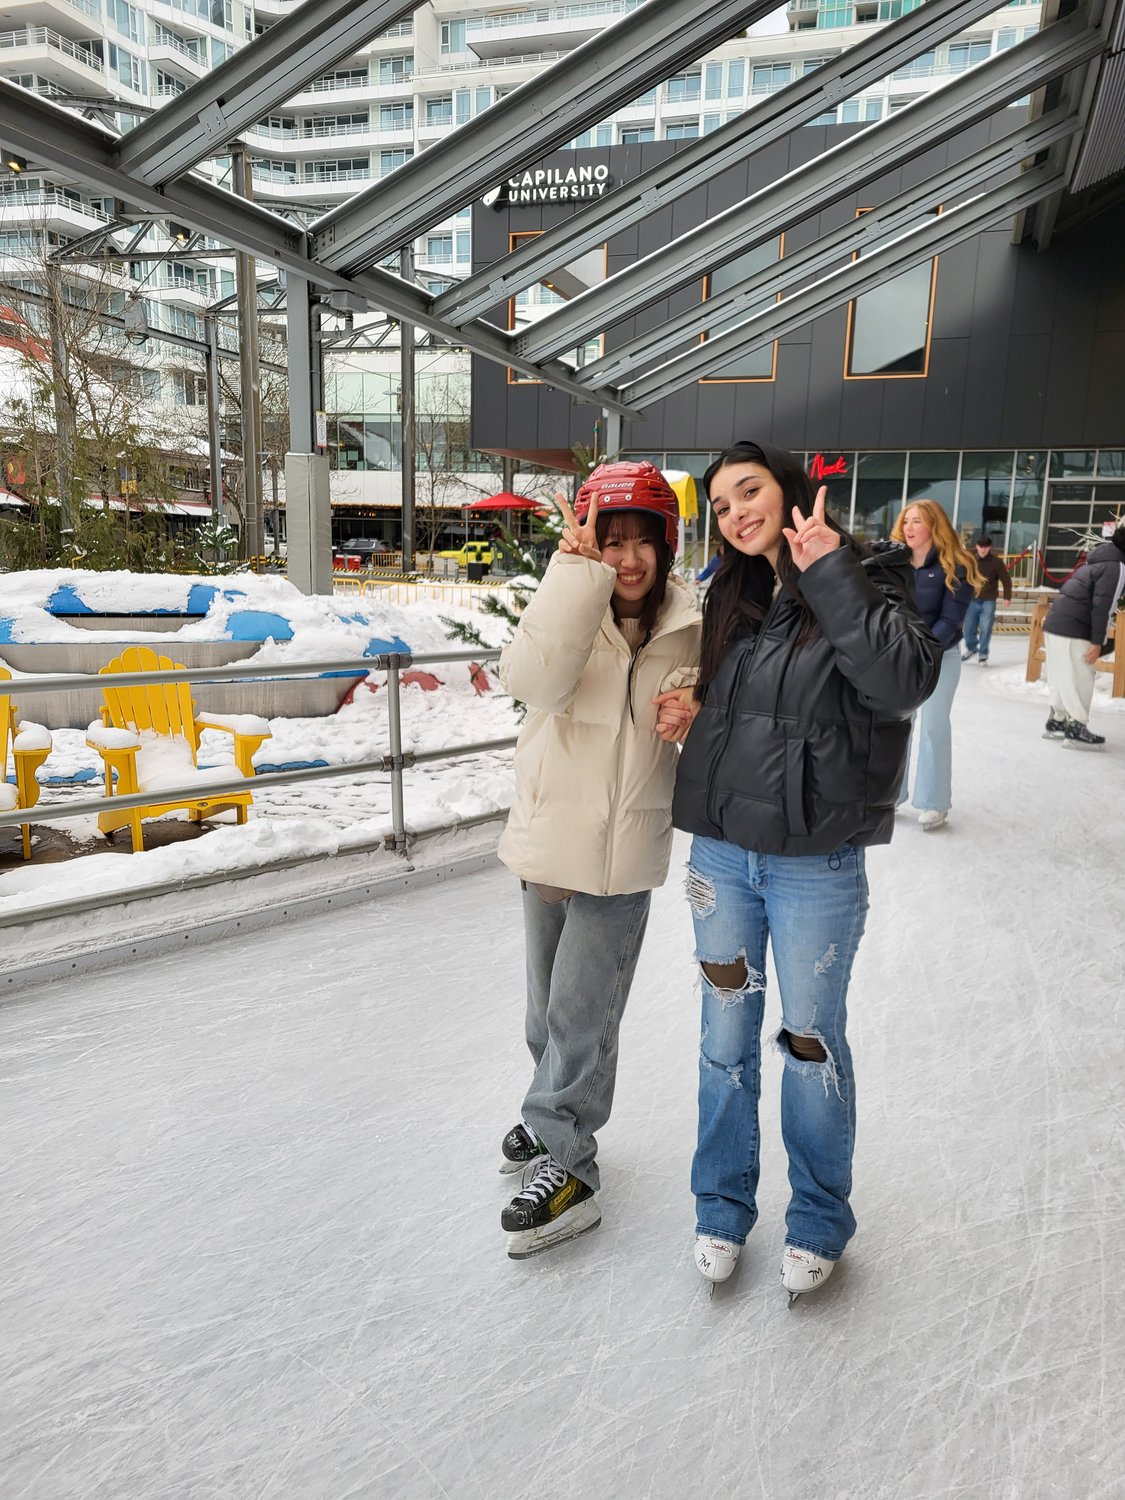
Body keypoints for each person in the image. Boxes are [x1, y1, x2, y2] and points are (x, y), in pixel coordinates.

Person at [658, 441, 940, 1303]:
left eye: (751, 490)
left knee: (809, 1043)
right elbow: (753, 704)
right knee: (722, 1040)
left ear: (792, 490)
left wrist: (828, 573)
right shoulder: (732, 593)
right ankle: (720, 1206)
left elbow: (900, 682)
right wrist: (695, 716)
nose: (737, 511)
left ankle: (816, 1217)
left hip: (814, 864)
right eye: (722, 502)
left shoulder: (869, 575)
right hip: (721, 858)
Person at [495, 460, 701, 1259]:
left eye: (640, 541)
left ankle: (568, 1162)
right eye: (610, 541)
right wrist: (573, 576)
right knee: (544, 1007)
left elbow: (714, 707)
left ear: (666, 545)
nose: (625, 559)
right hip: (551, 836)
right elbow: (533, 681)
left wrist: (701, 708)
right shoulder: (569, 604)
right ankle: (551, 1110)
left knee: (583, 1014)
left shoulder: (691, 622)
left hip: (625, 850)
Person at [891, 500, 982, 831]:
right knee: (897, 725)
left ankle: (934, 802)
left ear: (934, 526)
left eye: (917, 521)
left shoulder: (956, 565)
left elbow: (950, 620)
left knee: (932, 727)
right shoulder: (895, 563)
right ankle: (892, 795)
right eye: (906, 521)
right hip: (901, 657)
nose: (909, 527)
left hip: (939, 657)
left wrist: (922, 649)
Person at [1041, 522, 1125, 748]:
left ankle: (1057, 721)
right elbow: (1103, 607)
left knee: (1060, 674)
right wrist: (1097, 642)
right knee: (1080, 676)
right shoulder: (1116, 566)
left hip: (1056, 623)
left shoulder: (1099, 559)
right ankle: (1076, 726)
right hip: (1073, 628)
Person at [961, 534, 1013, 665]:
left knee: (986, 627)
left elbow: (1006, 580)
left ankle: (983, 654)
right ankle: (972, 648)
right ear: (977, 547)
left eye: (985, 547)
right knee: (967, 629)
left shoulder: (996, 562)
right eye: (980, 547)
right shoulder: (971, 559)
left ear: (989, 547)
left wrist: (1007, 597)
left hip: (988, 601)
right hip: (972, 600)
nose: (982, 550)